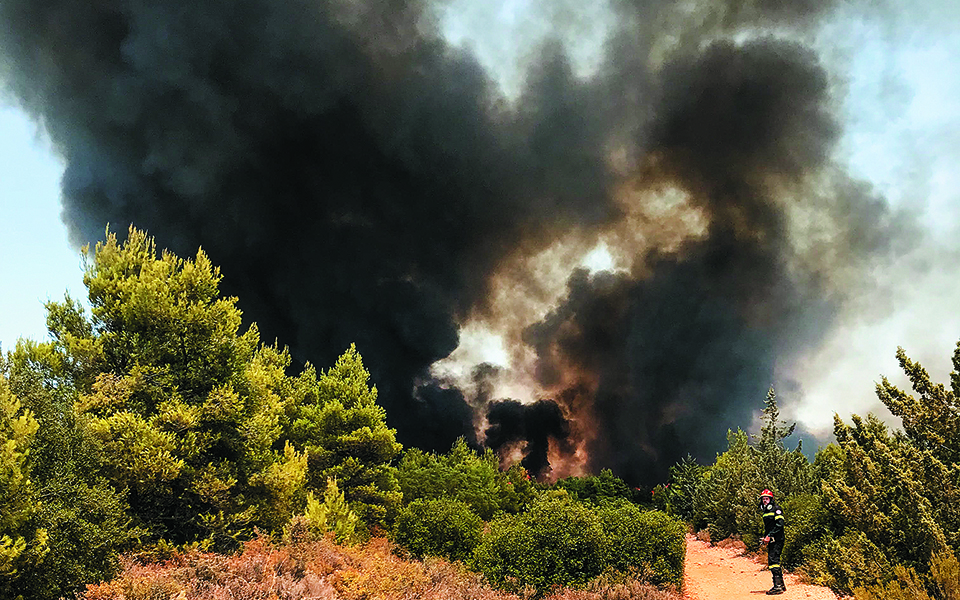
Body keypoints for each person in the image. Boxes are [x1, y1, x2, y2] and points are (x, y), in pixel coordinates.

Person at [759, 489, 786, 595]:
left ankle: (777, 586)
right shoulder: (766, 511)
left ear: (771, 499)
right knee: (773, 561)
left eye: (767, 499)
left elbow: (780, 524)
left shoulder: (776, 509)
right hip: (772, 540)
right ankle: (781, 585)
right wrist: (766, 537)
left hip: (777, 539)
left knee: (773, 561)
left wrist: (770, 535)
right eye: (763, 499)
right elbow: (769, 526)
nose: (765, 501)